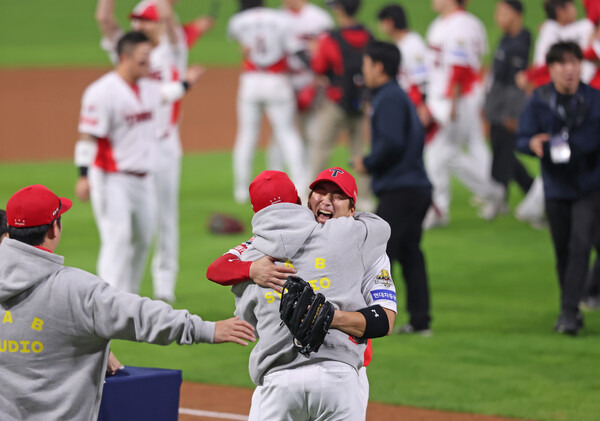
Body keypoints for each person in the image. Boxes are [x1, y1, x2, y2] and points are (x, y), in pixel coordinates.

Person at [0, 184, 255, 420]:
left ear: (10, 232)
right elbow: (143, 316)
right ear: (54, 228)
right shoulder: (78, 290)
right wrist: (206, 329)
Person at [207, 169, 397, 420]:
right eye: (321, 192)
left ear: (353, 210)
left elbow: (383, 319)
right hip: (338, 379)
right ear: (303, 202)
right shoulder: (362, 234)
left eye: (338, 196)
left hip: (300, 378)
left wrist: (332, 317)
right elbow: (380, 226)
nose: (327, 200)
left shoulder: (257, 252)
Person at [95, 0, 214, 302]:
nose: (139, 25)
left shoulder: (174, 48)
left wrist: (163, 13)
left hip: (164, 146)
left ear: (160, 22)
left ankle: (164, 285)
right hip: (133, 149)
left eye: (146, 20)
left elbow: (170, 21)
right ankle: (119, 289)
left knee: (166, 217)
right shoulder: (131, 52)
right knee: (131, 225)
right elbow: (105, 20)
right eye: (136, 20)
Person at [74, 31, 202, 294]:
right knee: (117, 240)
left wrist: (188, 82)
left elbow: (169, 93)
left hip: (145, 180)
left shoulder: (149, 89)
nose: (149, 64)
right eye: (143, 59)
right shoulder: (101, 92)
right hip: (112, 179)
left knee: (143, 240)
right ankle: (106, 301)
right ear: (125, 57)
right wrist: (83, 175)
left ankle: (127, 299)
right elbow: (87, 136)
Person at [516, 41, 600, 335]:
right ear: (550, 69)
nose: (570, 69)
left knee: (579, 246)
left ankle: (568, 312)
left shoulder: (594, 99)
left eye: (575, 62)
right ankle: (574, 306)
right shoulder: (539, 101)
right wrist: (532, 143)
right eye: (563, 64)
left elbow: (591, 140)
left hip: (589, 186)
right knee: (563, 251)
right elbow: (521, 137)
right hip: (555, 187)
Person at [353, 41, 432, 335]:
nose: (364, 70)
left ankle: (365, 320)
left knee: (377, 254)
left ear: (379, 67)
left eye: (366, 64)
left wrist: (368, 162)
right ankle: (421, 321)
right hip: (415, 187)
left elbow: (391, 143)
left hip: (401, 189)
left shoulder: (388, 98)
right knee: (411, 252)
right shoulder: (398, 95)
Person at [423, 0, 505, 229]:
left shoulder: (461, 25)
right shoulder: (444, 23)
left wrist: (451, 100)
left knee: (439, 152)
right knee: (445, 153)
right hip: (445, 97)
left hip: (456, 99)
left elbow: (462, 67)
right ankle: (491, 191)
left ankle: (439, 208)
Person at [514, 0, 596, 229]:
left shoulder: (559, 30)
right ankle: (543, 207)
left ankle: (537, 207)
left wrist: (530, 76)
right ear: (562, 10)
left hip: (576, 101)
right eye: (570, 6)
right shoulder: (581, 29)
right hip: (571, 104)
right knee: (565, 157)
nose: (576, 9)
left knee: (566, 157)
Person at [228, 0, 308, 204]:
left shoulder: (237, 21)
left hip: (251, 80)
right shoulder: (281, 19)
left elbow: (240, 45)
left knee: (246, 135)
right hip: (277, 81)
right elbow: (297, 50)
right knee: (287, 133)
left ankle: (240, 190)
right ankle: (300, 183)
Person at [310, 0, 374, 210]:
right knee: (359, 151)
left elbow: (320, 66)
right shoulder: (368, 36)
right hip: (360, 101)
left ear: (340, 9)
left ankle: (313, 198)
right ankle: (364, 198)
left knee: (322, 149)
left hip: (336, 101)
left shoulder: (332, 38)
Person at [267, 0, 334, 173]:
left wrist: (318, 80)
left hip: (311, 81)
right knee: (280, 133)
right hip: (284, 82)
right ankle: (275, 179)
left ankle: (310, 178)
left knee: (312, 131)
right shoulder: (276, 17)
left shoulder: (320, 18)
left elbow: (327, 52)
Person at [484, 0, 534, 209]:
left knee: (504, 150)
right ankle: (523, 192)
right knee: (502, 150)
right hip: (496, 105)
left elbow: (517, 84)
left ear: (517, 14)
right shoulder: (506, 39)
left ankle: (526, 193)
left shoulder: (521, 43)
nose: (498, 17)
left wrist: (512, 114)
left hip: (507, 109)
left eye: (503, 12)